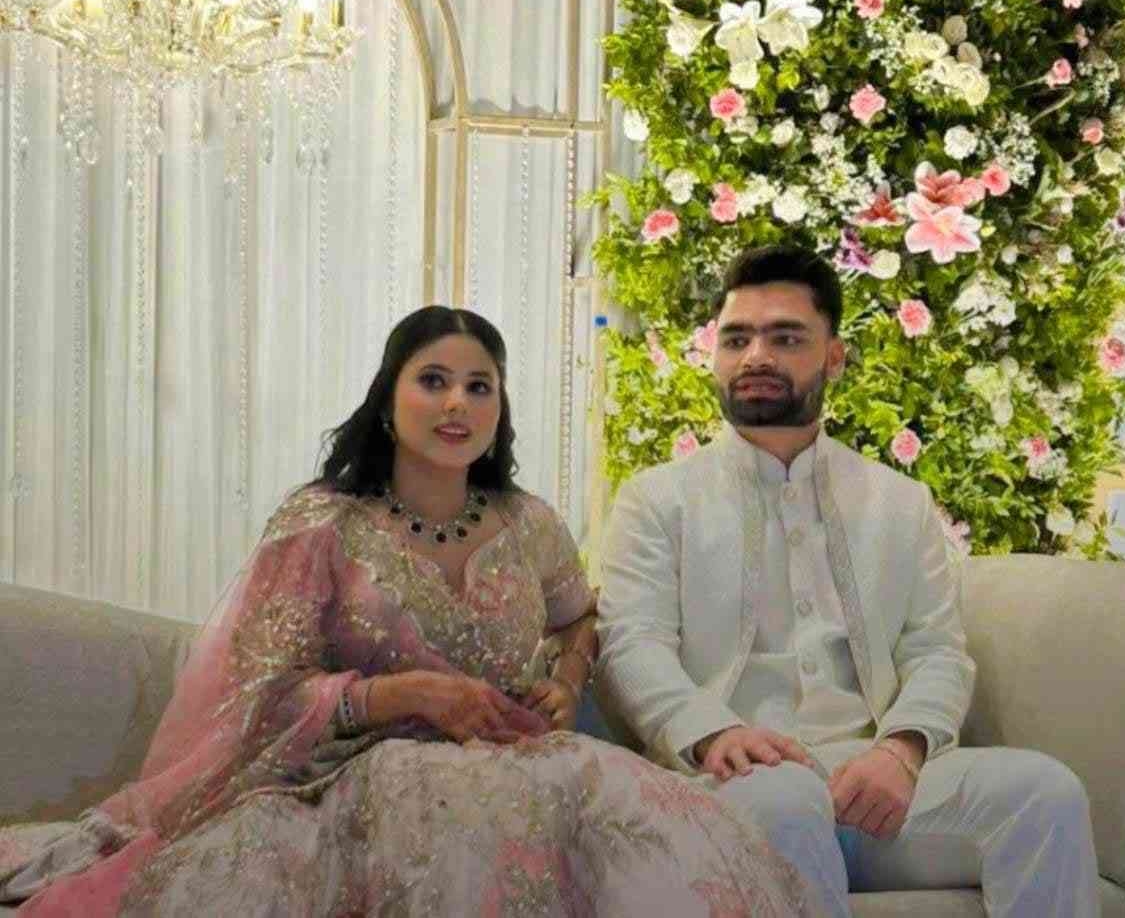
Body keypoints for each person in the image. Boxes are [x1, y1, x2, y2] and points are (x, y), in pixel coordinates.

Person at [1, 306, 823, 916]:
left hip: (524, 763)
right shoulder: (323, 524)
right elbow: (258, 690)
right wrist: (400, 695)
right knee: (435, 805)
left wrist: (568, 680)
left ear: (499, 409)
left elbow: (579, 618)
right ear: (388, 398)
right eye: (433, 381)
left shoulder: (528, 523)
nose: (457, 403)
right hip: (352, 778)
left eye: (479, 386)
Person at [596, 246, 1101, 918]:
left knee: (1045, 793)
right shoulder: (658, 500)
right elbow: (631, 645)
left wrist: (901, 751)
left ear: (834, 358)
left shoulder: (898, 502)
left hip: (870, 785)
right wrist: (714, 734)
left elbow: (935, 651)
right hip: (728, 782)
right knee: (784, 797)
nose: (756, 357)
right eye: (737, 339)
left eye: (786, 339)